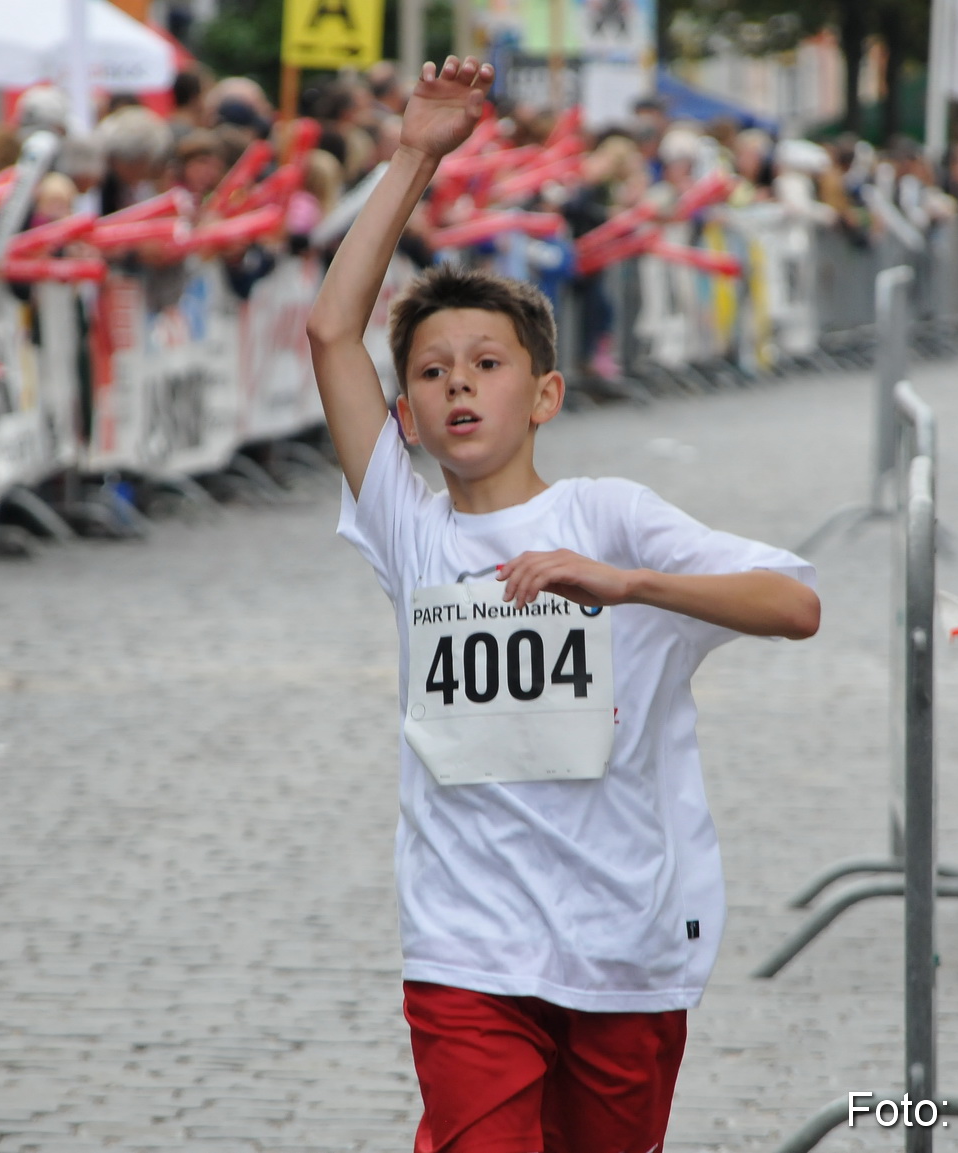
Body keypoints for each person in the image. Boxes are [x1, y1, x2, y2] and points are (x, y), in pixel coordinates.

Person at [306, 58, 820, 1153]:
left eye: (485, 363)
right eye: (433, 370)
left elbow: (794, 604)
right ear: (406, 412)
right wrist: (415, 155)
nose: (456, 384)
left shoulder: (612, 515)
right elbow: (327, 332)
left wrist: (628, 585)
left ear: (543, 394)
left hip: (624, 945)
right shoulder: (413, 529)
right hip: (466, 950)